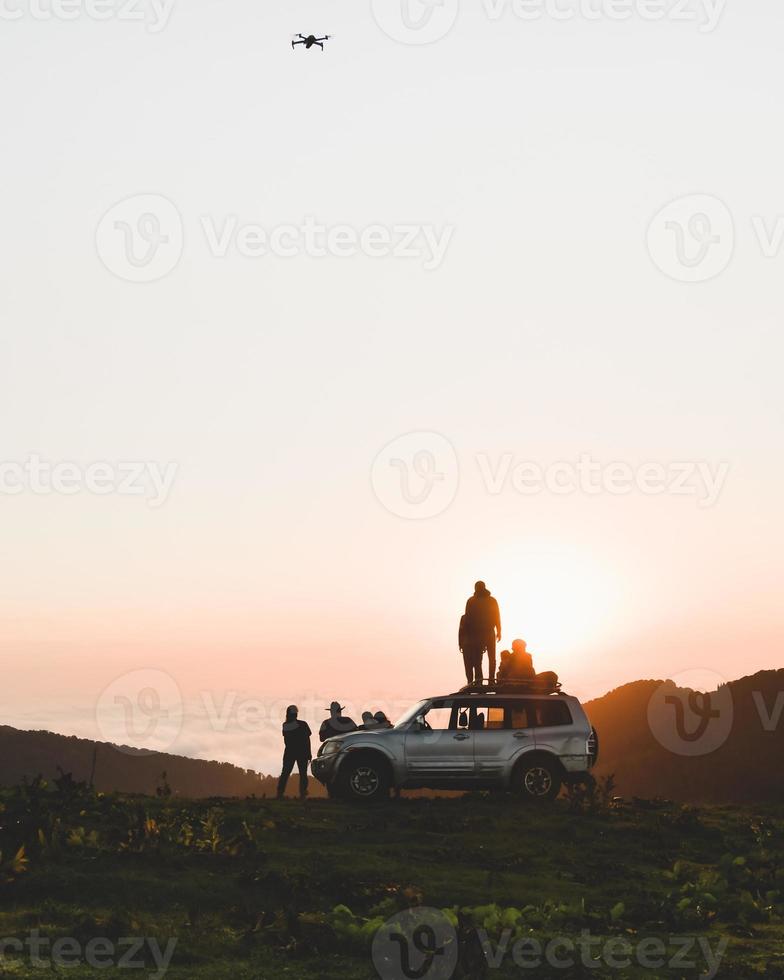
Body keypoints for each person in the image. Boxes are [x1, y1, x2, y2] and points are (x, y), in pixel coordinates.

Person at [464, 581, 501, 683]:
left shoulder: (490, 600)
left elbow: (497, 616)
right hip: (479, 633)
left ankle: (489, 680)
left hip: (486, 632)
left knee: (486, 659)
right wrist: (499, 630)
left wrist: (499, 630)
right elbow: (468, 619)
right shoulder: (471, 601)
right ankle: (481, 680)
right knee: (480, 659)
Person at [276, 705, 312, 800]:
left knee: (286, 773)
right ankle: (302, 794)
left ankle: (280, 793)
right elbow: (307, 740)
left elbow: (287, 741)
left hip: (290, 752)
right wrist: (309, 753)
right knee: (302, 773)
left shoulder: (286, 725)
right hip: (301, 751)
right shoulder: (303, 724)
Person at [459, 614, 482, 685]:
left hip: (472, 645)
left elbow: (461, 631)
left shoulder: (478, 617)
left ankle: (475, 682)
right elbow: (461, 631)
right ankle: (473, 682)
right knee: (473, 666)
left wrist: (461, 643)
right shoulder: (479, 616)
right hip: (469, 645)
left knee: (474, 665)